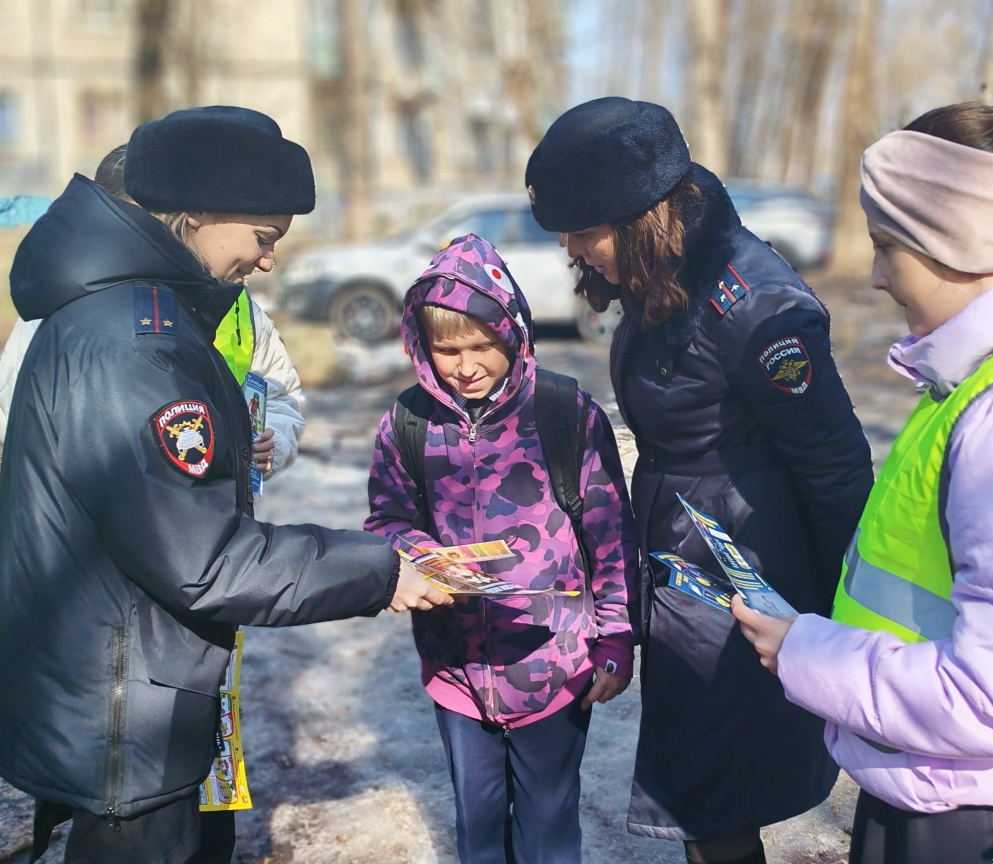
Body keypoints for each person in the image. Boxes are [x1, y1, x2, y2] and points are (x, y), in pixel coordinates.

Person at [0, 105, 453, 864]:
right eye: (264, 237)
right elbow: (206, 560)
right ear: (199, 211)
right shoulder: (135, 346)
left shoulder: (126, 315)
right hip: (124, 720)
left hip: (115, 693)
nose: (269, 261)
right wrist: (381, 569)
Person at [524, 97, 875, 864]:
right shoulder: (667, 273)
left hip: (740, 571)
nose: (576, 254)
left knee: (709, 794)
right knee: (702, 792)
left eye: (582, 232)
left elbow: (834, 465)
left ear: (638, 215)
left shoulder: (758, 307)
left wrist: (851, 609)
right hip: (684, 562)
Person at [733, 102, 993, 864]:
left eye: (888, 245)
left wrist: (805, 652)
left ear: (959, 241)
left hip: (975, 816)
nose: (877, 275)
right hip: (944, 784)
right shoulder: (978, 385)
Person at [364, 232, 639, 864]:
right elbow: (386, 518)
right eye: (445, 349)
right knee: (478, 823)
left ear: (512, 333)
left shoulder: (564, 412)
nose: (463, 366)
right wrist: (417, 555)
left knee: (548, 824)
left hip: (557, 664)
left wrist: (617, 639)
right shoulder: (409, 423)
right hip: (456, 667)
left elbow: (610, 534)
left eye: (480, 345)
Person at [0, 144, 306, 485]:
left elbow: (281, 394)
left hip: (212, 515)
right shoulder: (68, 311)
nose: (268, 262)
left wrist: (270, 441)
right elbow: (16, 431)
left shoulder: (236, 301)